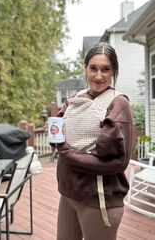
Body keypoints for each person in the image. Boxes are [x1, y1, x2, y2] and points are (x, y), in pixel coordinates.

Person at [54, 42, 134, 240]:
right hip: (68, 192)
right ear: (85, 69)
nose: (98, 76)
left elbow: (117, 162)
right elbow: (56, 131)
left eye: (106, 69)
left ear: (114, 71)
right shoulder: (75, 99)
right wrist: (58, 139)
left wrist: (66, 152)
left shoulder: (118, 103)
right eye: (93, 68)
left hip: (98, 199)